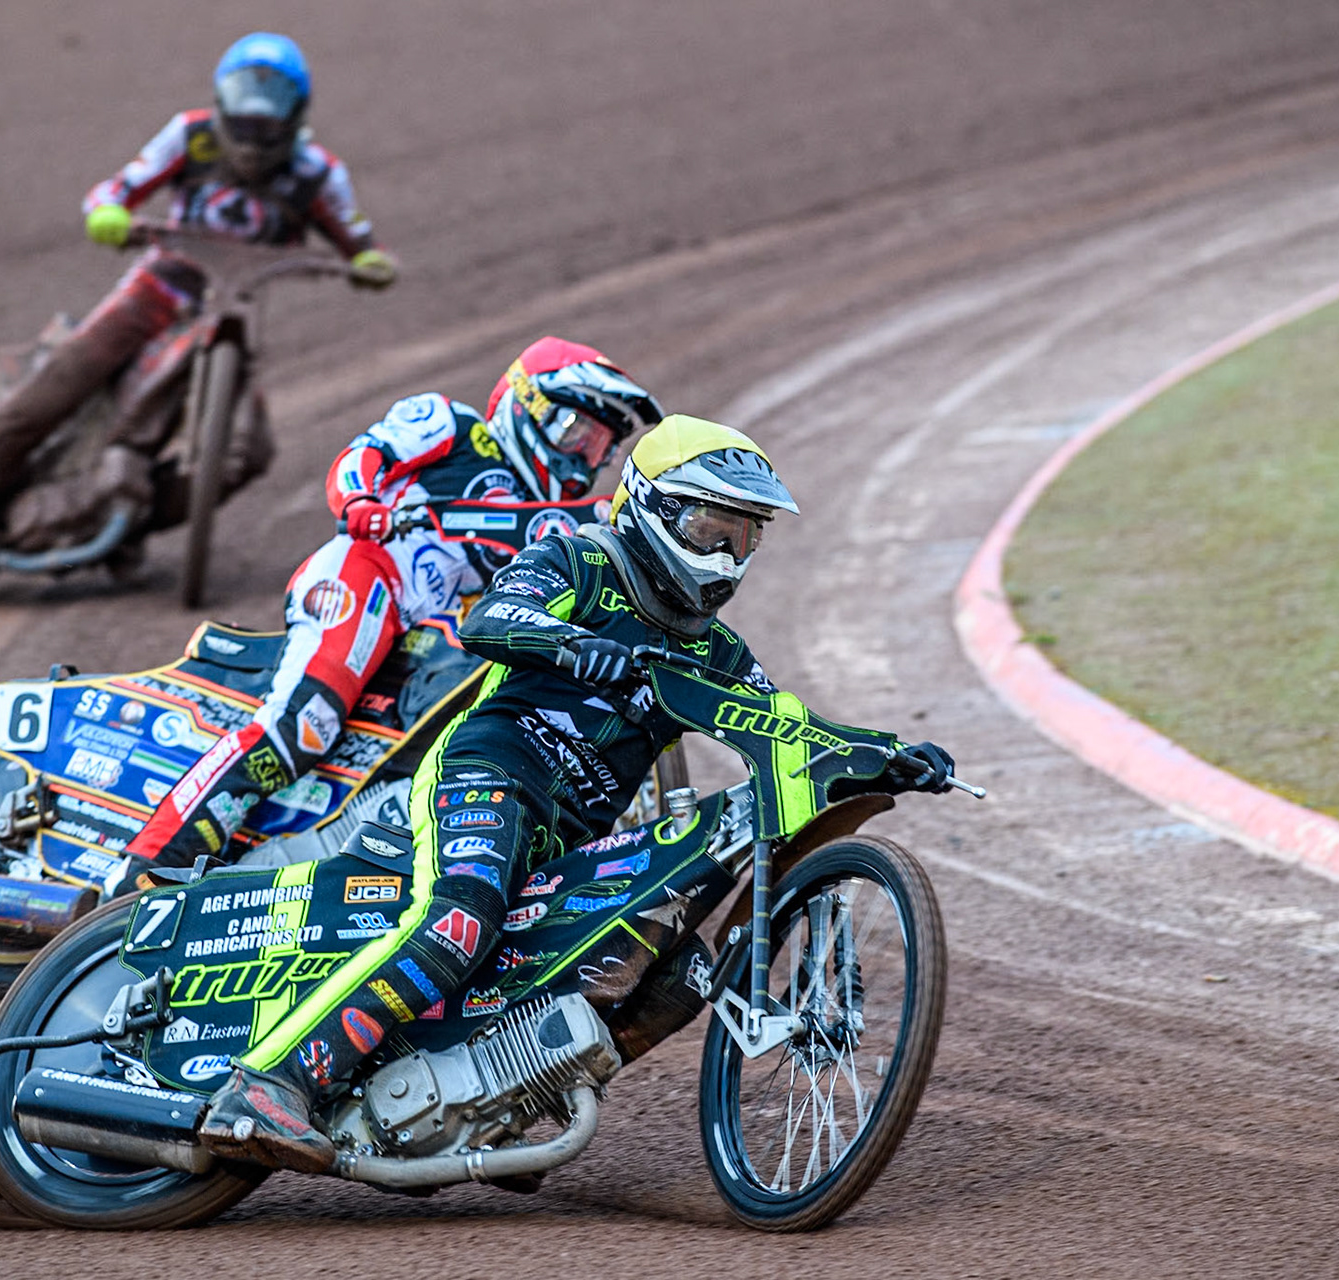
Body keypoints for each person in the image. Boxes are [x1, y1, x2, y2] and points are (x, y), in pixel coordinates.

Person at [195, 413, 958, 1171]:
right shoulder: (581, 561)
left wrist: (886, 756)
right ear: (653, 506)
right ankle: (268, 1084)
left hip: (573, 835)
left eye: (744, 535)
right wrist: (574, 645)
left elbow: (785, 726)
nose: (726, 554)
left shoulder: (718, 650)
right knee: (463, 915)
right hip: (488, 775)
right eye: (709, 526)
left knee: (675, 972)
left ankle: (499, 1106)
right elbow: (491, 619)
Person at [124, 336, 663, 871]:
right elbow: (366, 455)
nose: (585, 460)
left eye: (601, 448)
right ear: (528, 405)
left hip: (430, 642)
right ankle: (140, 869)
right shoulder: (452, 426)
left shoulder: (550, 518)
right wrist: (359, 499)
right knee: (301, 723)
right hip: (366, 577)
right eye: (578, 433)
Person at [0, 32, 397, 565]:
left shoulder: (318, 173)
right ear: (221, 102)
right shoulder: (190, 136)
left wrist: (369, 262)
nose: (256, 128)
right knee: (63, 381)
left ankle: (125, 522)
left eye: (272, 111)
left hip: (230, 310)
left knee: (247, 453)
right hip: (156, 289)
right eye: (245, 106)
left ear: (296, 114)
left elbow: (359, 239)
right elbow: (118, 188)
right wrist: (108, 213)